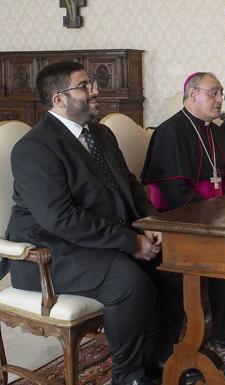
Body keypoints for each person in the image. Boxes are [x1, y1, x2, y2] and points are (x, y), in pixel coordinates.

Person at [5, 61, 183, 385]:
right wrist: (130, 243)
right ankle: (127, 376)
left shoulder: (100, 133)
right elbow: (61, 219)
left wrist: (152, 224)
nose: (95, 91)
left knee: (174, 268)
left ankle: (158, 359)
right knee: (129, 283)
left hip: (99, 241)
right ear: (59, 99)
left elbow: (129, 185)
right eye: (85, 86)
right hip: (51, 253)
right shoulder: (34, 149)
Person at [140, 72, 225, 349]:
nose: (220, 99)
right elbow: (173, 193)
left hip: (219, 210)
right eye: (213, 93)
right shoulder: (170, 132)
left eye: (221, 94)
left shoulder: (215, 131)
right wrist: (218, 211)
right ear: (192, 94)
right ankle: (222, 328)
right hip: (183, 218)